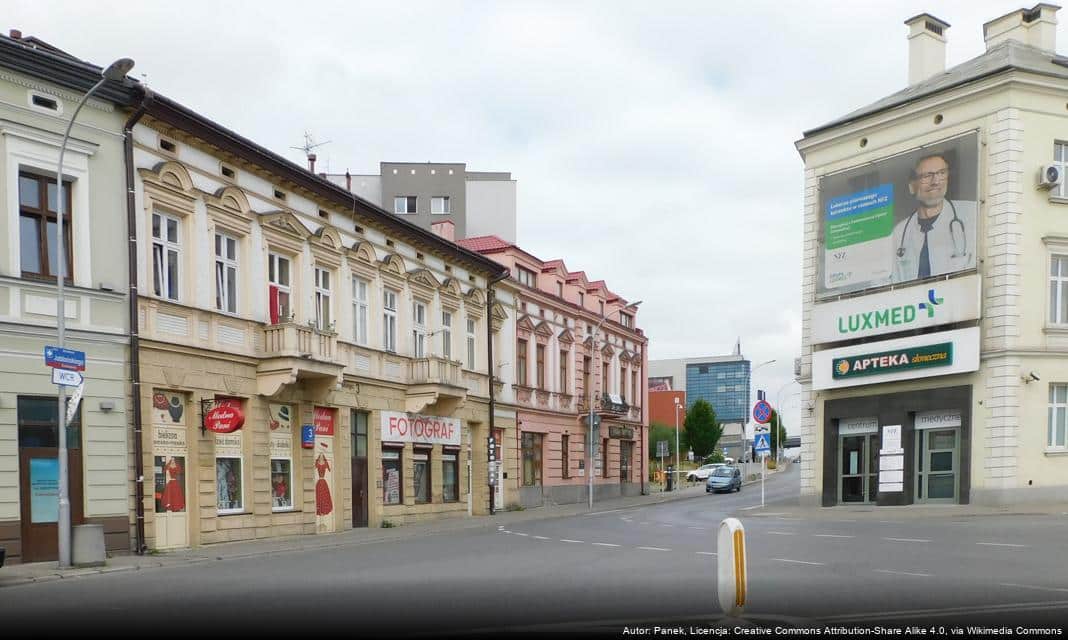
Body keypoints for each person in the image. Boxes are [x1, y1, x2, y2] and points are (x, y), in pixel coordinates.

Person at [890, 153, 976, 283]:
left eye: (941, 173)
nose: (935, 182)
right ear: (912, 186)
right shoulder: (899, 233)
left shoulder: (971, 213)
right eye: (927, 176)